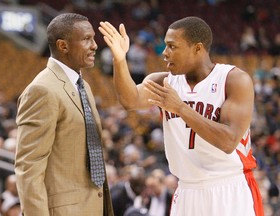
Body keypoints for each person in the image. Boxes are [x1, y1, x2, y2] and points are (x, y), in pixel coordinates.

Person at [99, 16, 264, 216]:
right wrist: (119, 59)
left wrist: (181, 108)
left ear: (197, 48)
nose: (164, 53)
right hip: (187, 190)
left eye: (172, 46)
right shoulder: (164, 82)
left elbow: (228, 141)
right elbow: (130, 100)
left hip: (229, 188)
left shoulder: (233, 80)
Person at [15, 13, 114, 216]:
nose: (95, 45)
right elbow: (29, 168)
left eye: (93, 38)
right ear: (63, 46)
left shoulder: (83, 85)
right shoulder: (42, 90)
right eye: (86, 39)